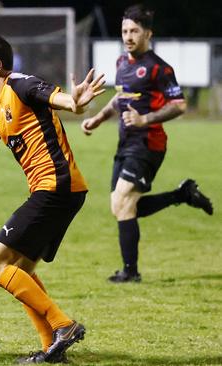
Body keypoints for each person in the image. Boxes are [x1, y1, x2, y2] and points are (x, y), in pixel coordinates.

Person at [0, 33, 105, 364]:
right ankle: (53, 348)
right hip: (56, 191)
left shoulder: (21, 86)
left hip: (56, 187)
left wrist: (76, 102)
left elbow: (62, 101)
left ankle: (63, 325)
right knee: (22, 271)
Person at [81, 4, 213, 284]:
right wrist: (99, 118)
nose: (128, 36)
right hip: (125, 143)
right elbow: (120, 98)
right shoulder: (121, 63)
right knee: (123, 207)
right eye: (124, 31)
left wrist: (146, 119)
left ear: (148, 34)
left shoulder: (158, 68)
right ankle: (183, 195)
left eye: (134, 31)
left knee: (122, 201)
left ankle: (131, 272)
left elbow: (179, 105)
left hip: (148, 144)